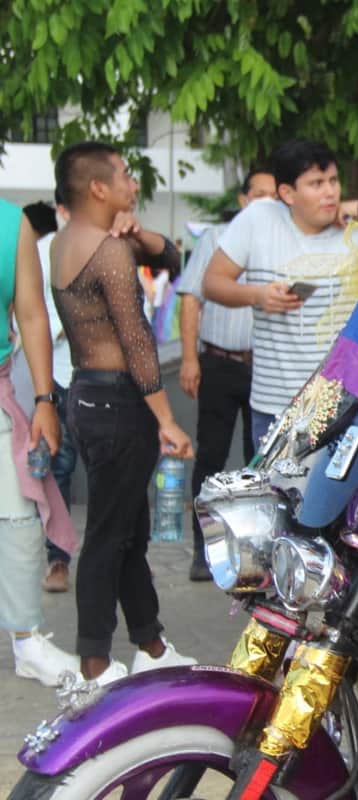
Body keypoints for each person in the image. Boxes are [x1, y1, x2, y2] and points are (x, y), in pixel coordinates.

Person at [50, 141, 196, 684]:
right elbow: (137, 343)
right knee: (111, 535)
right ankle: (94, 663)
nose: (133, 185)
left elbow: (173, 258)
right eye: (126, 176)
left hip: (85, 394)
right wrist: (167, 419)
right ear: (98, 187)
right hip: (118, 404)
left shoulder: (67, 243)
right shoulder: (108, 255)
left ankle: (152, 646)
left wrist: (139, 234)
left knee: (129, 528)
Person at [203, 140, 358, 444]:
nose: (330, 192)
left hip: (343, 406)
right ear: (287, 193)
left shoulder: (353, 230)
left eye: (333, 180)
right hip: (275, 407)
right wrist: (258, 295)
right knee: (274, 493)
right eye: (316, 184)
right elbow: (212, 282)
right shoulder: (259, 219)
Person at [176, 168, 277, 581]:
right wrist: (188, 358)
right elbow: (190, 299)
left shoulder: (282, 242)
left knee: (266, 462)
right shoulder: (217, 239)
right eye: (259, 195)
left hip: (267, 366)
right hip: (218, 362)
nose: (266, 203)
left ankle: (266, 555)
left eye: (274, 196)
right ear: (243, 200)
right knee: (212, 458)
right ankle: (204, 549)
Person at [0, 197, 81, 687]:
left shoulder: (12, 224)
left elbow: (31, 315)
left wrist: (46, 401)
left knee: (19, 518)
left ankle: (27, 640)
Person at [16, 200, 77, 593]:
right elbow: (30, 313)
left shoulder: (110, 246)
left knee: (115, 470)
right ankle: (58, 558)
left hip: (102, 377)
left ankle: (128, 556)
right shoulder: (39, 249)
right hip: (52, 375)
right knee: (58, 465)